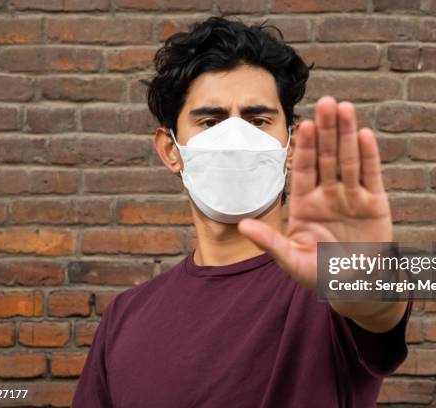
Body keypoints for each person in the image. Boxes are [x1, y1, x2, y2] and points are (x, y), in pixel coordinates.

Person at [71, 16, 412, 408]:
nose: (235, 139)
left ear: (291, 146)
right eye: (210, 121)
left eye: (257, 120)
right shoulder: (124, 318)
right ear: (170, 150)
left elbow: (379, 303)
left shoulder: (328, 282)